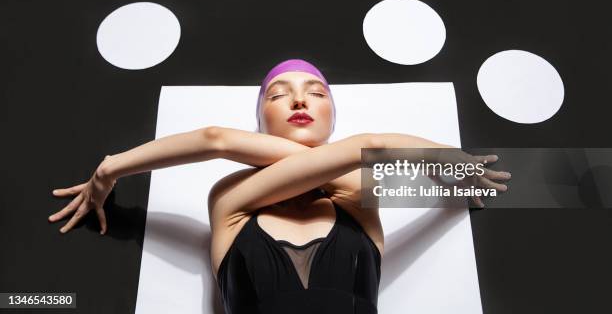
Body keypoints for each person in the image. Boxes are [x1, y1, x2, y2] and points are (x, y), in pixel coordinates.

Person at [48, 58, 511, 313]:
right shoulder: (230, 199)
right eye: (277, 93)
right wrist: (452, 166)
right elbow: (217, 139)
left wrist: (111, 169)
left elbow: (361, 147)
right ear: (260, 118)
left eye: (316, 92)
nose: (297, 99)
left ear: (333, 115)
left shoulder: (356, 196)